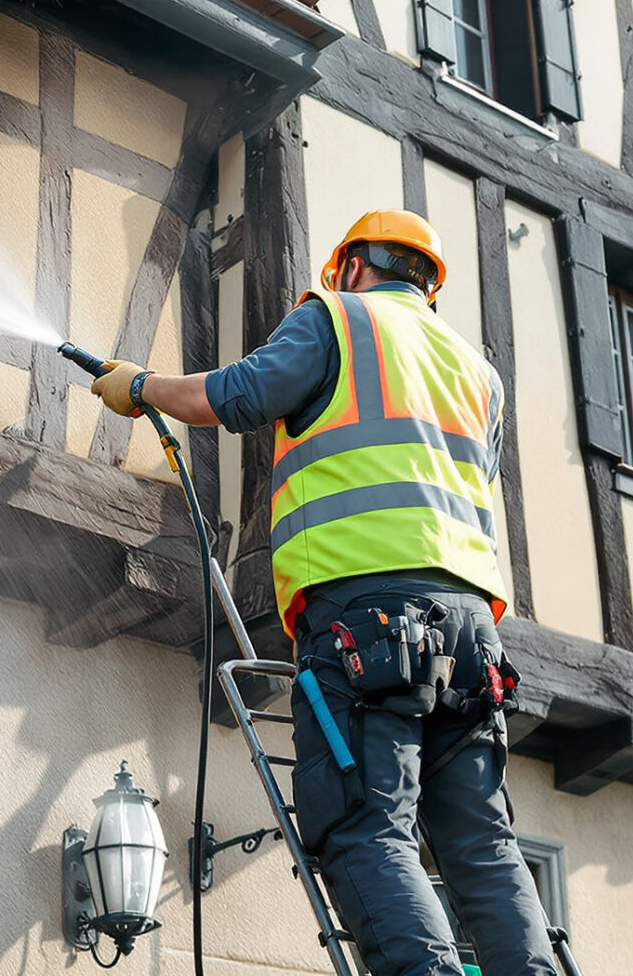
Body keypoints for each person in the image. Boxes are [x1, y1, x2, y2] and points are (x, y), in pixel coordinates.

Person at [88, 210, 556, 976]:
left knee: (368, 830)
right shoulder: (478, 371)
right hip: (475, 641)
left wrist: (141, 386)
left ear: (351, 266)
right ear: (426, 282)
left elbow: (240, 394)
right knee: (483, 846)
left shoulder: (335, 318)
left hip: (369, 626)